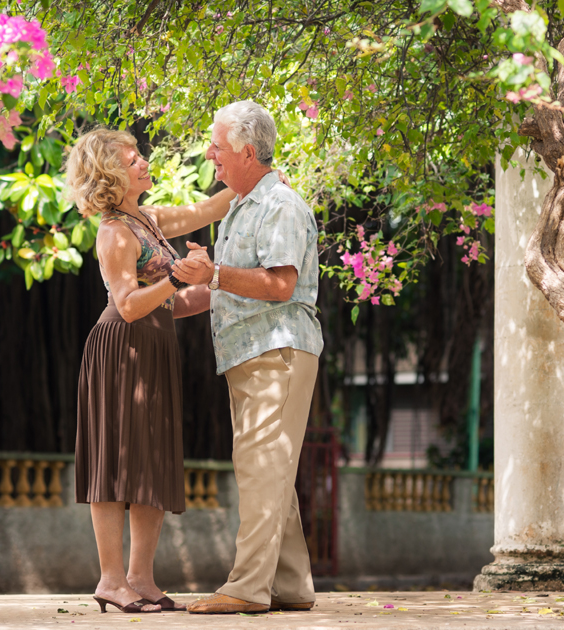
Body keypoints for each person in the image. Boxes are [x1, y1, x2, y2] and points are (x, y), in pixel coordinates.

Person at [67, 128, 225, 614]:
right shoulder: (115, 231)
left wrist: (254, 181)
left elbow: (204, 212)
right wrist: (178, 276)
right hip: (121, 349)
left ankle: (141, 578)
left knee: (153, 461)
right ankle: (111, 581)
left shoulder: (149, 219)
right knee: (116, 463)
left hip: (155, 347)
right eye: (131, 159)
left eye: (139, 156)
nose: (143, 163)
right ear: (110, 174)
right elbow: (131, 305)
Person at [175, 101, 323, 615]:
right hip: (250, 353)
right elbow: (224, 290)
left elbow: (280, 285)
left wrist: (212, 274)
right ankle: (290, 584)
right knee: (267, 468)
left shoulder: (279, 205)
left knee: (262, 467)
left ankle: (246, 588)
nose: (211, 154)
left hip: (275, 348)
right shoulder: (240, 207)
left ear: (244, 149)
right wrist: (156, 308)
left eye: (217, 145)